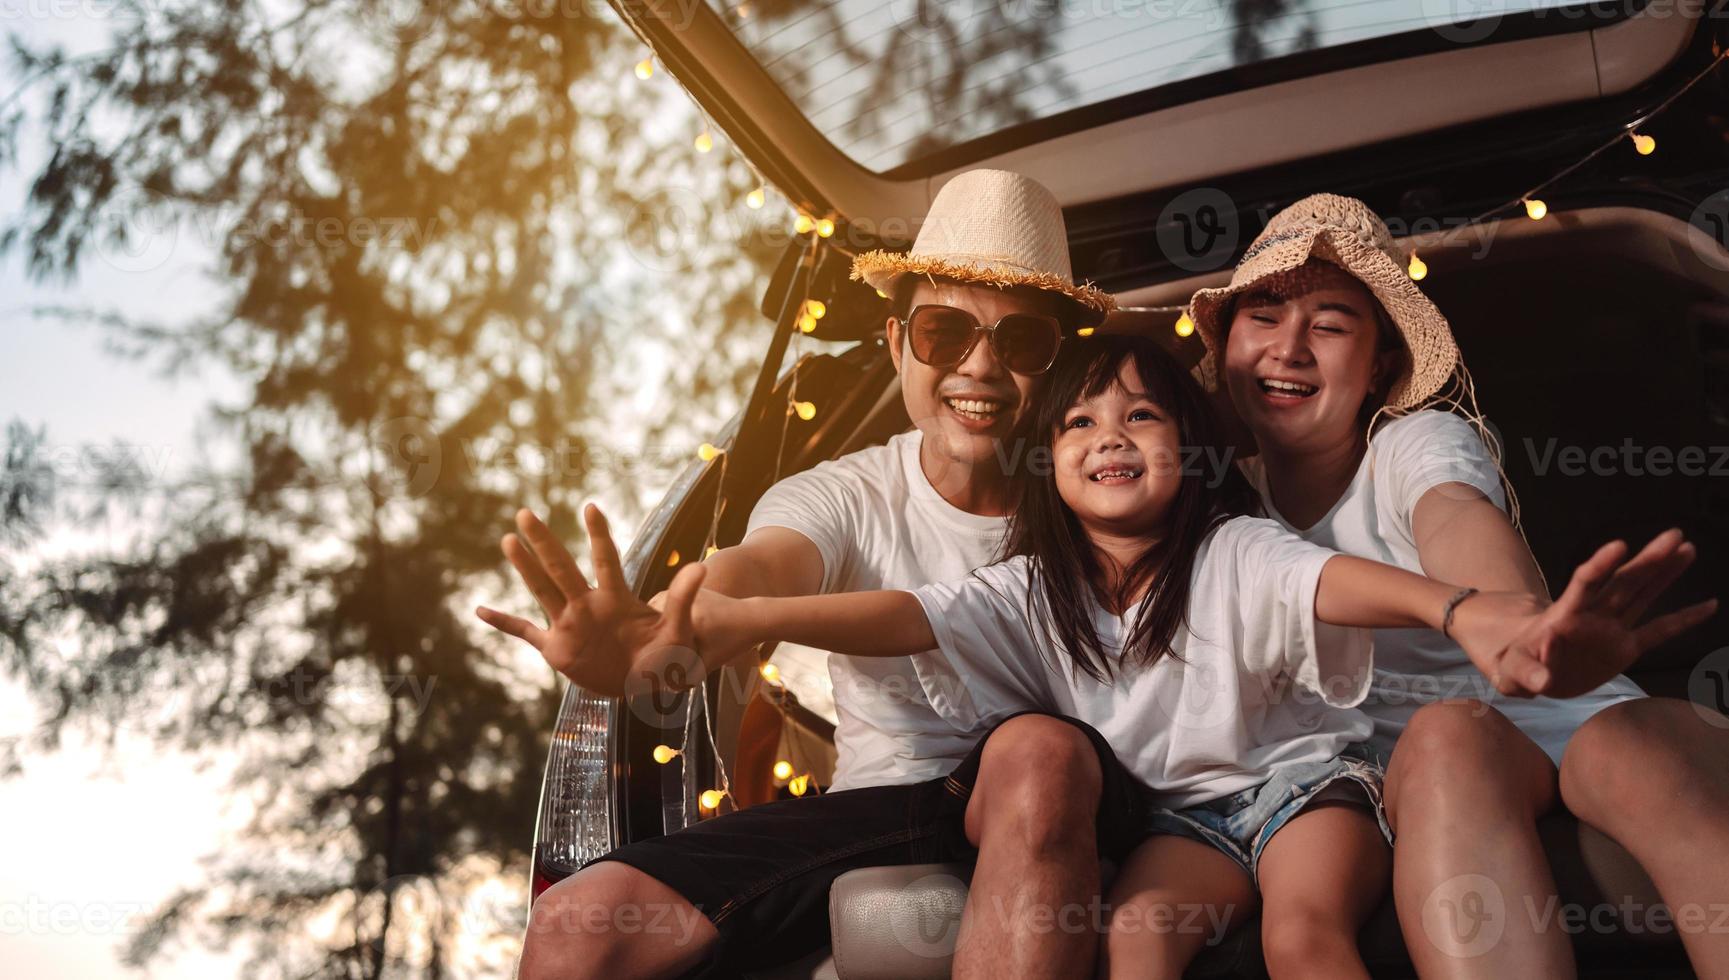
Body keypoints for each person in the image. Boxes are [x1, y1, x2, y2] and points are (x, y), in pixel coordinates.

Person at [576, 333, 1704, 979]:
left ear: (1191, 450)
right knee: (1133, 934)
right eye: (1076, 423)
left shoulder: (1233, 550)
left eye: (1141, 417)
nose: (1110, 435)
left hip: (1303, 790)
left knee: (1304, 929)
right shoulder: (1026, 592)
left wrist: (1464, 612)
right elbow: (897, 613)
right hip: (1180, 822)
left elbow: (1344, 584)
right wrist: (733, 621)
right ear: (1047, 468)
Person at [475, 169, 1127, 978]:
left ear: (1058, 363)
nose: (979, 368)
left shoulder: (1109, 492)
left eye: (1019, 341)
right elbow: (758, 571)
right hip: (892, 810)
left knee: (1038, 750)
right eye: (943, 334)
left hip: (1075, 792)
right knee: (576, 922)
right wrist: (667, 637)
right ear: (896, 344)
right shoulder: (843, 493)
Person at [1188, 192, 1725, 976]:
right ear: (1227, 343)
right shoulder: (1206, 505)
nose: (1290, 348)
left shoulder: (1414, 442)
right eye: (1262, 316)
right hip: (1432, 763)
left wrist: (1516, 626)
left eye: (1330, 325)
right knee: (1443, 734)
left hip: (1558, 705)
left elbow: (1454, 516)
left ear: (1377, 367)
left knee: (1617, 745)